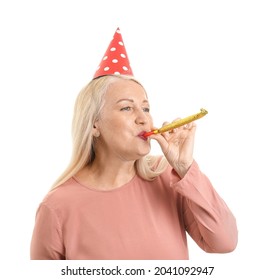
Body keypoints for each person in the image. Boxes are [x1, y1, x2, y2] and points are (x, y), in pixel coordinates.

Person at [30, 28, 238, 260]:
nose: (144, 118)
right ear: (94, 125)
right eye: (127, 107)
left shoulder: (168, 177)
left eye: (146, 108)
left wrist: (185, 168)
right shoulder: (57, 207)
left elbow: (224, 242)